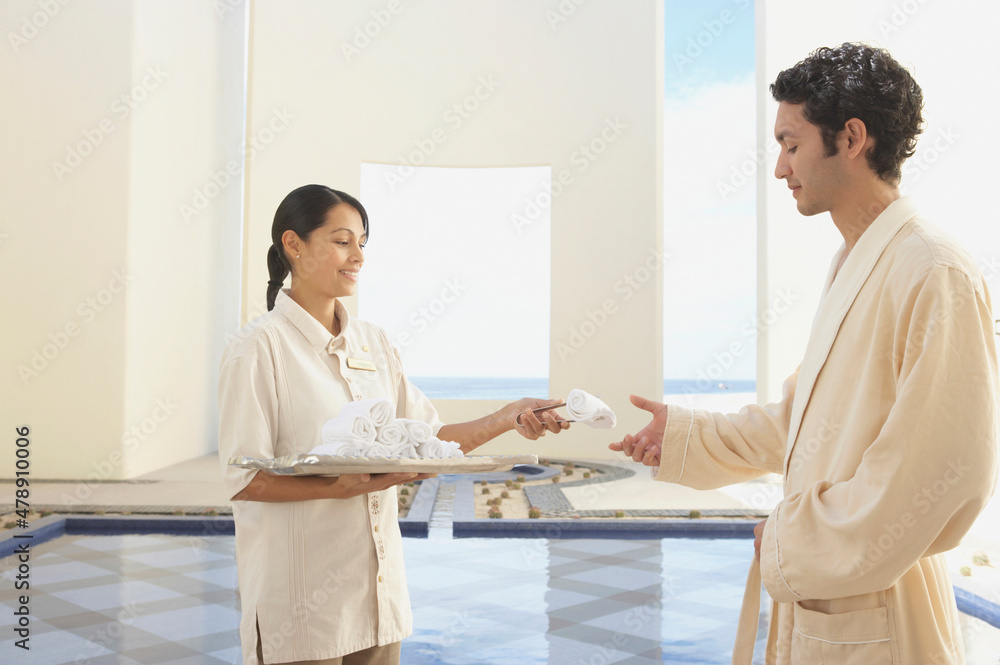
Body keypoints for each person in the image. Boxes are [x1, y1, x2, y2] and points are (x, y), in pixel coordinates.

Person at [611, 43, 998, 664]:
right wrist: (684, 433)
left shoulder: (933, 270)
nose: (779, 168)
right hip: (831, 606)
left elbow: (940, 471)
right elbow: (803, 424)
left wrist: (791, 540)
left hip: (883, 618)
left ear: (851, 138)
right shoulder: (853, 263)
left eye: (791, 145)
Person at [218, 184, 567, 665]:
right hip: (300, 613)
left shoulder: (374, 342)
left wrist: (507, 417)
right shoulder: (259, 348)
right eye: (342, 241)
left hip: (378, 606)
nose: (358, 256)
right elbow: (244, 479)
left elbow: (428, 441)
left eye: (362, 243)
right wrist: (335, 489)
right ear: (293, 244)